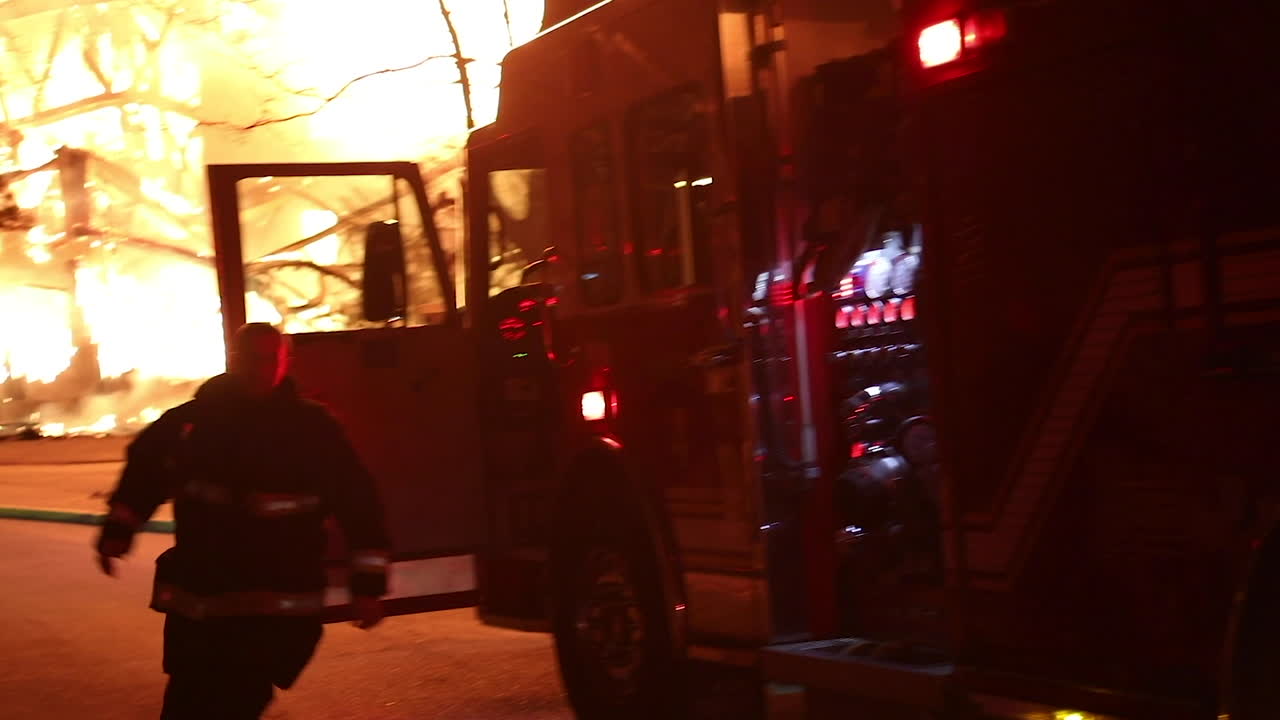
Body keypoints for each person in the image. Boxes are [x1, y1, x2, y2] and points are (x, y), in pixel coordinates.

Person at [94, 322, 391, 719]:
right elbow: (144, 476)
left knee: (238, 700)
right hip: (202, 602)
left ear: (285, 362)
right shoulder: (191, 424)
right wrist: (117, 532)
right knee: (187, 702)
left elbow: (358, 502)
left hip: (273, 609)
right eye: (251, 358)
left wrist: (368, 586)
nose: (260, 369)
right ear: (233, 360)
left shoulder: (314, 430)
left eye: (270, 359)